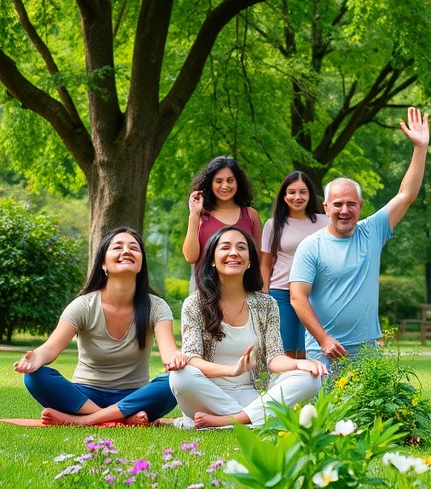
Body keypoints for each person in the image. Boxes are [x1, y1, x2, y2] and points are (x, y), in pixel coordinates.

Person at [290, 107, 429, 366]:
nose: (345, 210)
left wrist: (420, 148)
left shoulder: (371, 231)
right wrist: (323, 339)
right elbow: (298, 296)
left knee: (368, 407)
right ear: (326, 208)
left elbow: (406, 194)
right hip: (325, 349)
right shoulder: (311, 246)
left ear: (361, 206)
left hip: (367, 348)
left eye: (351, 204)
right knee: (327, 408)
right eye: (338, 204)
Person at [14, 227, 185, 426]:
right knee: (35, 377)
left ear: (141, 264)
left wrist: (176, 360)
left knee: (176, 380)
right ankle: (115, 419)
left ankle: (83, 421)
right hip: (85, 396)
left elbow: (169, 352)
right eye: (117, 247)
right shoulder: (83, 305)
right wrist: (35, 357)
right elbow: (51, 348)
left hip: (135, 397)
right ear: (103, 263)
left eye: (133, 248)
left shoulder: (156, 306)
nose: (126, 251)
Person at [170, 227, 326, 429]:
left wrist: (299, 364)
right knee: (181, 376)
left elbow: (274, 357)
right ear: (212, 260)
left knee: (310, 380)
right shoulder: (195, 304)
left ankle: (228, 421)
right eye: (225, 247)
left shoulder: (266, 304)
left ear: (250, 260)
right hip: (208, 394)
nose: (234, 253)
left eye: (241, 248)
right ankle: (258, 419)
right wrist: (232, 371)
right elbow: (192, 358)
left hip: (254, 394)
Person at [260, 171, 327, 359]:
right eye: (292, 192)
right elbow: (265, 265)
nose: (297, 197)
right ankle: (286, 388)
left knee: (309, 349)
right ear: (284, 195)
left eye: (303, 192)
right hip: (280, 293)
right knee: (286, 350)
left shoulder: (325, 222)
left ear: (310, 194)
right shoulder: (273, 225)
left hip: (314, 293)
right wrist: (264, 297)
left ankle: (310, 387)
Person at [182, 156, 262, 285]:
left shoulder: (250, 215)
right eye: (219, 181)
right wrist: (194, 214)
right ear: (210, 183)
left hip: (242, 289)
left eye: (230, 180)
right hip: (206, 291)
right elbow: (190, 257)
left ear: (238, 182)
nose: (225, 186)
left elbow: (258, 257)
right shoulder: (202, 216)